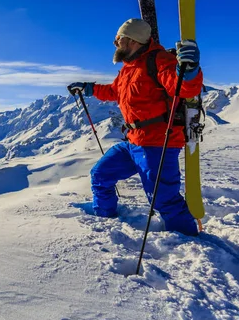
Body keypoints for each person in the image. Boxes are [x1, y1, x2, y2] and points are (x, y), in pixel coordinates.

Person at [67, 18, 203, 236]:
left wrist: (189, 71)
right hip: (133, 141)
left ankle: (190, 243)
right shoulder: (128, 68)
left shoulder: (160, 60)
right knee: (100, 174)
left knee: (163, 199)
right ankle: (105, 221)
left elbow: (184, 89)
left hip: (158, 142)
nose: (115, 43)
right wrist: (89, 88)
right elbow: (114, 91)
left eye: (118, 39)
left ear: (131, 41)